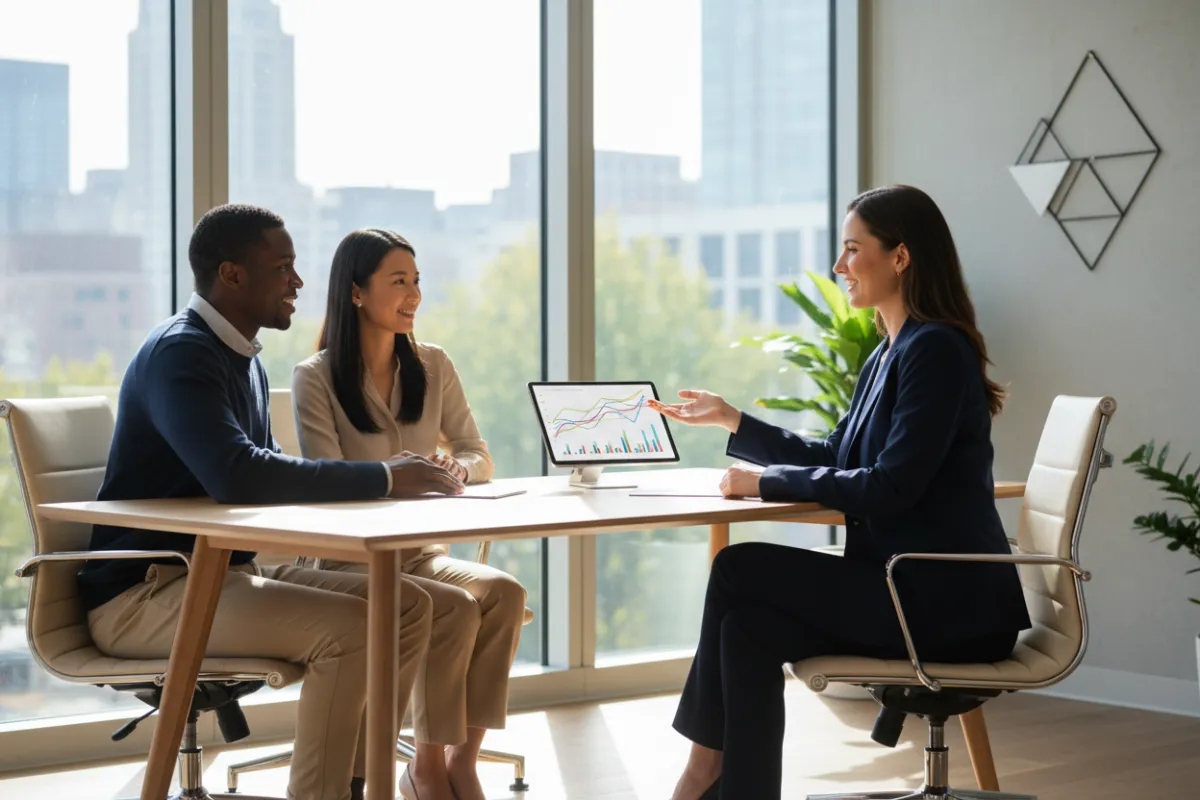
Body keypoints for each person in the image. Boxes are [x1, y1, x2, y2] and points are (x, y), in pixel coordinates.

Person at [649, 185, 1033, 800]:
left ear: (900, 256)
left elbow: (891, 486)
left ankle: (701, 773)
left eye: (853, 249)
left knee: (739, 566)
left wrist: (765, 482)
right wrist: (734, 422)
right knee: (746, 628)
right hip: (904, 589)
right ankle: (732, 787)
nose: (838, 266)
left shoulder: (935, 350)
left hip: (943, 603)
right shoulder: (889, 352)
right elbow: (836, 456)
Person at [78, 204, 465, 800]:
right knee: (356, 628)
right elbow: (238, 475)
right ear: (231, 275)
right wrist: (383, 478)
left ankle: (355, 786)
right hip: (148, 594)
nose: (299, 282)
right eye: (283, 267)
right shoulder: (183, 355)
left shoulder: (241, 356)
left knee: (409, 606)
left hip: (217, 575)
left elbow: (273, 474)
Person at [291, 228, 527, 800]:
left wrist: (458, 471)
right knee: (450, 607)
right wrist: (397, 477)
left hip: (419, 556)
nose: (414, 295)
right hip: (347, 563)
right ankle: (423, 768)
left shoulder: (433, 364)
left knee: (503, 594)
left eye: (417, 281)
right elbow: (327, 481)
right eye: (399, 282)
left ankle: (454, 762)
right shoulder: (315, 378)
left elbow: (478, 452)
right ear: (355, 292)